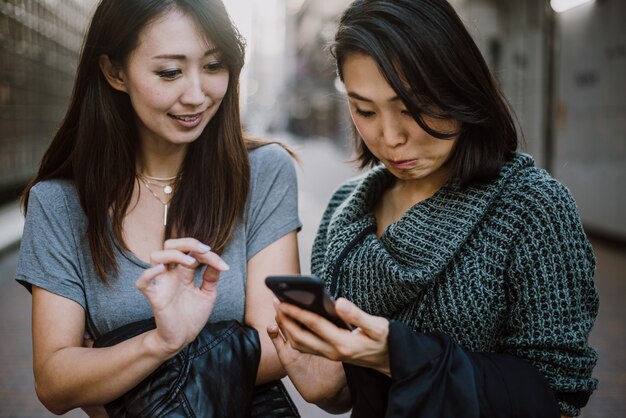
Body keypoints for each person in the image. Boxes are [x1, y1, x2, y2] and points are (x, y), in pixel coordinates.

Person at [268, 0, 599, 417]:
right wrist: (331, 390)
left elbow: (555, 395)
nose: (390, 137)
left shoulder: (532, 208)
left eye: (413, 107)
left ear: (460, 86)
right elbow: (356, 387)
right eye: (365, 110)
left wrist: (402, 357)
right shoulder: (345, 211)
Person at [15, 0, 301, 416]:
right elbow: (55, 382)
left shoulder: (263, 173)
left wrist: (113, 360)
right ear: (115, 72)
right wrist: (161, 341)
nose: (197, 95)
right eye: (170, 72)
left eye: (214, 65)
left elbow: (280, 345)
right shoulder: (59, 202)